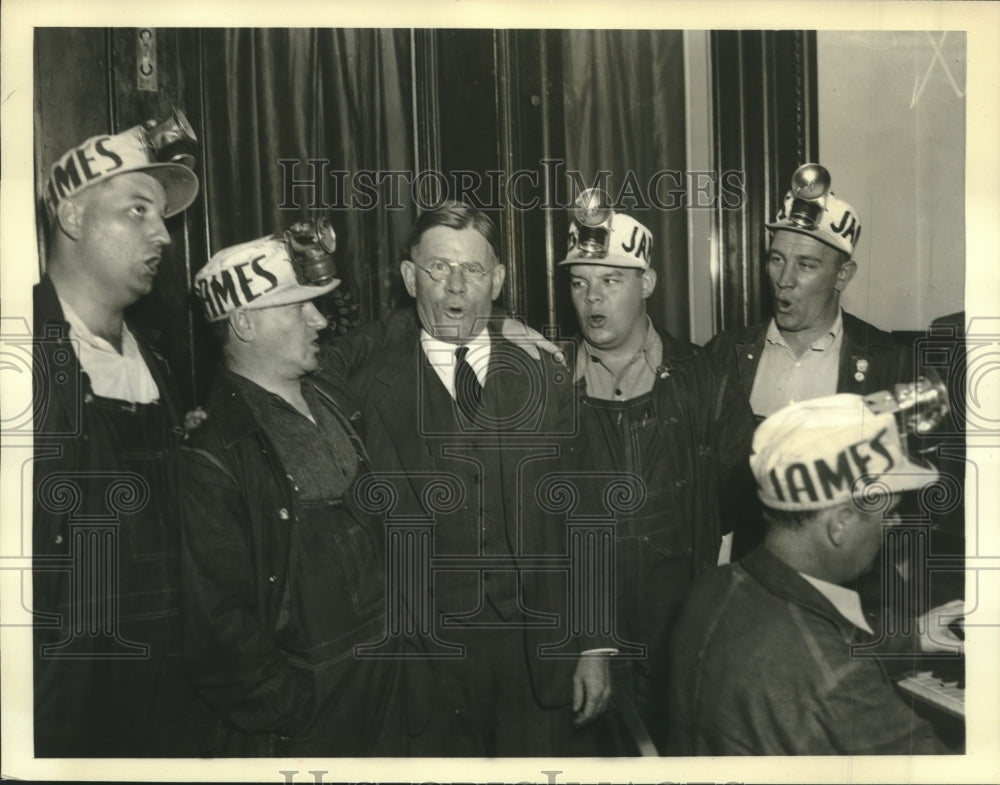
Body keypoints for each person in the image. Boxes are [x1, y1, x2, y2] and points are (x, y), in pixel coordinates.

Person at [344, 201, 613, 756]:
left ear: (498, 280)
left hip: (537, 655)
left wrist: (595, 644)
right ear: (409, 278)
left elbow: (586, 511)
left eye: (473, 268)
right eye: (438, 267)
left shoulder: (546, 375)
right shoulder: (364, 392)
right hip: (422, 665)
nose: (455, 285)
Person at [179, 231, 398, 756]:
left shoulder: (331, 393)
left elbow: (380, 332)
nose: (319, 320)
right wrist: (296, 716)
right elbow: (219, 630)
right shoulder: (211, 453)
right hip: (310, 723)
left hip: (385, 695)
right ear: (244, 323)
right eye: (298, 307)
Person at [558, 191, 756, 753]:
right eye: (579, 282)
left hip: (684, 633)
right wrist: (586, 640)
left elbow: (746, 504)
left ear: (646, 283)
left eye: (610, 280)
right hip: (588, 642)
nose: (592, 298)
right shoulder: (549, 383)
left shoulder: (705, 377)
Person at [32, 114, 204, 756]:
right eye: (138, 211)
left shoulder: (156, 363)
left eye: (162, 217)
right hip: (65, 721)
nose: (162, 235)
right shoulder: (22, 357)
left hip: (165, 707)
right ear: (73, 217)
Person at [667, 394, 964, 755]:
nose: (893, 525)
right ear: (840, 524)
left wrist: (914, 634)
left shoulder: (712, 588)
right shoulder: (837, 679)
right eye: (887, 514)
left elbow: (798, 646)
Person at [705, 164, 916, 557]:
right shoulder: (723, 354)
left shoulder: (890, 363)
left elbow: (915, 502)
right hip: (750, 575)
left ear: (843, 275)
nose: (784, 279)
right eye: (776, 259)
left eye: (806, 265)